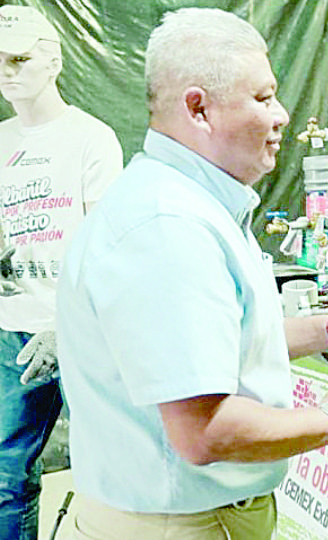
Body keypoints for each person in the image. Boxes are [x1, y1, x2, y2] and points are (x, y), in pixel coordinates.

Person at [56, 7, 328, 539]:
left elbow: (215, 349)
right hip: (175, 526)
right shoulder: (170, 228)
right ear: (198, 108)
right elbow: (204, 431)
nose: (281, 115)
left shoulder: (187, 202)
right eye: (263, 98)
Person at [0, 5, 123, 538]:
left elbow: (105, 249)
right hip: (9, 330)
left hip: (79, 331)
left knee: (106, 471)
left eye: (19, 59)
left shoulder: (91, 138)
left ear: (53, 61)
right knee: (6, 473)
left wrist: (65, 324)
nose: (6, 71)